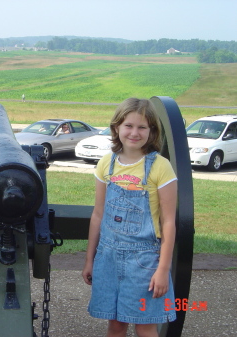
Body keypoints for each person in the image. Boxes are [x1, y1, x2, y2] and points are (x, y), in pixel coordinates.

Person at [82, 98, 177, 337]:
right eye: (128, 126)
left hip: (144, 262)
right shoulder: (107, 164)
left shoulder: (160, 167)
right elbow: (98, 215)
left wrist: (163, 269)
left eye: (142, 127)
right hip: (108, 258)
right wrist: (90, 259)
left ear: (152, 131)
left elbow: (168, 222)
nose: (134, 133)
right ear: (116, 128)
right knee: (115, 326)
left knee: (145, 326)